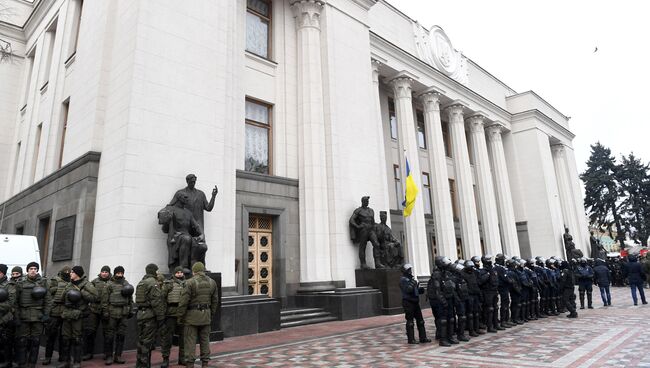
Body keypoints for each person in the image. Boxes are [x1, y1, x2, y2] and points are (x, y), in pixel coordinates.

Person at [178, 262, 219, 368]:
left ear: (194, 271)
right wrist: (211, 314)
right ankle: (205, 363)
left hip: (191, 317)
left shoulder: (189, 282)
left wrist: (180, 317)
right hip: (206, 316)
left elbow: (183, 302)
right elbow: (215, 301)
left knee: (190, 341)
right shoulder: (212, 282)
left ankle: (190, 363)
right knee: (205, 340)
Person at [60, 266, 98, 368]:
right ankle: (66, 361)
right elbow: (62, 298)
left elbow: (95, 297)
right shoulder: (69, 284)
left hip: (78, 315)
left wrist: (82, 292)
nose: (70, 274)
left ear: (77, 274)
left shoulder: (87, 284)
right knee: (65, 339)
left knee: (77, 339)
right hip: (67, 314)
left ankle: (77, 362)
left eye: (72, 272)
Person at [15, 262, 52, 368]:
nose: (33, 270)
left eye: (35, 268)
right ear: (27, 270)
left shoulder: (43, 282)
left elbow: (48, 300)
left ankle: (32, 363)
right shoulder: (20, 282)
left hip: (38, 316)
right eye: (31, 268)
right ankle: (22, 363)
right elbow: (15, 302)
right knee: (22, 341)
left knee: (36, 342)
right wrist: (17, 317)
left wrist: (46, 314)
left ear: (37, 270)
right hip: (24, 316)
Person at [101, 266, 134, 365]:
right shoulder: (109, 285)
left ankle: (118, 356)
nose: (120, 275)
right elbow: (104, 300)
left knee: (121, 335)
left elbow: (130, 299)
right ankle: (109, 356)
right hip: (112, 312)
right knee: (109, 336)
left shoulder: (126, 284)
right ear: (115, 273)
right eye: (118, 273)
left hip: (123, 313)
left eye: (121, 273)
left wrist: (131, 310)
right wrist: (105, 312)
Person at [135, 264, 165, 368]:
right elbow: (156, 302)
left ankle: (139, 364)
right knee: (147, 343)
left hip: (140, 314)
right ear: (153, 271)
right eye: (157, 270)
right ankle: (144, 365)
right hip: (149, 316)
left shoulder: (141, 282)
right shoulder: (153, 283)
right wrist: (161, 317)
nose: (158, 272)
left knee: (141, 341)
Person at [44, 266, 71, 366]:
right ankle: (48, 357)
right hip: (54, 312)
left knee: (64, 337)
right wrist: (62, 287)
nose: (67, 274)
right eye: (65, 272)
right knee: (51, 336)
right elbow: (50, 291)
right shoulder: (55, 280)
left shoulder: (72, 281)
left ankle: (62, 357)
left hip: (65, 312)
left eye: (69, 272)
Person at [84, 265, 111, 360]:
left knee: (107, 333)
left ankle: (107, 354)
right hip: (94, 310)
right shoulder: (95, 281)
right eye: (103, 271)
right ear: (100, 272)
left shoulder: (111, 282)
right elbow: (85, 291)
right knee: (90, 332)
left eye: (106, 272)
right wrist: (92, 298)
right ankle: (88, 353)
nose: (104, 273)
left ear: (109, 273)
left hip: (106, 311)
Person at [161, 267, 187, 367]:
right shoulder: (168, 283)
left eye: (181, 272)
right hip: (171, 314)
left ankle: (182, 358)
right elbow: (162, 298)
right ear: (174, 273)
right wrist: (163, 312)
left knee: (183, 338)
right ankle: (165, 359)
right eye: (177, 272)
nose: (179, 274)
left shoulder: (187, 284)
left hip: (183, 314)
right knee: (168, 338)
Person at [397, 263, 430, 345]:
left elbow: (414, 290)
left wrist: (420, 290)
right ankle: (411, 339)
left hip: (415, 301)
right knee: (410, 321)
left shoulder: (411, 279)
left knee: (421, 321)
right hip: (408, 302)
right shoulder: (403, 279)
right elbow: (408, 290)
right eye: (409, 270)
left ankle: (423, 337)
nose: (410, 271)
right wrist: (413, 283)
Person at [349, 196, 385, 269]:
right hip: (364, 229)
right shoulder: (358, 210)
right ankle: (363, 264)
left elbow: (373, 221)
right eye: (366, 201)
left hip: (371, 229)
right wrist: (357, 226)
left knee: (376, 244)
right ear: (363, 201)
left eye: (368, 201)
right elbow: (351, 220)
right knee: (363, 246)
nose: (368, 202)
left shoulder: (371, 210)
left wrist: (378, 227)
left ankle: (377, 263)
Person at [427, 258, 451, 346]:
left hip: (441, 299)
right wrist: (443, 301)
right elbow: (438, 291)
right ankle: (443, 339)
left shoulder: (443, 273)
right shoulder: (437, 274)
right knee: (443, 320)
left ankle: (443, 335)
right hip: (438, 301)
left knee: (443, 319)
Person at [477, 255, 500, 333]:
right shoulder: (483, 271)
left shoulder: (493, 270)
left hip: (494, 291)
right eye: (488, 260)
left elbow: (496, 280)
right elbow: (480, 282)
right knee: (489, 309)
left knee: (495, 308)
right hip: (487, 292)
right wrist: (488, 274)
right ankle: (489, 326)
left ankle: (496, 324)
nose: (490, 261)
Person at [0, 263, 16, 368]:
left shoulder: (10, 286)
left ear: (2, 273)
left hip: (5, 318)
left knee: (6, 341)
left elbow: (11, 303)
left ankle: (7, 361)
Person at [461, 260, 483, 337]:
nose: (472, 268)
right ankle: (471, 330)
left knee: (476, 313)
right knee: (470, 314)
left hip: (475, 294)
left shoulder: (474, 273)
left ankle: (476, 328)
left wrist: (479, 294)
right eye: (470, 267)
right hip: (469, 296)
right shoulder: (463, 274)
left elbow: (477, 283)